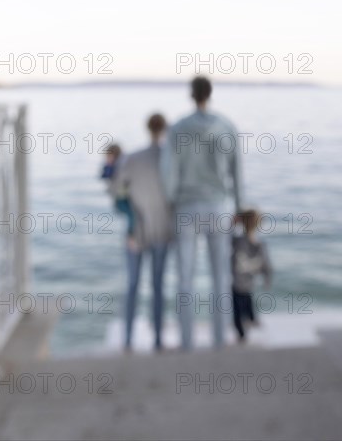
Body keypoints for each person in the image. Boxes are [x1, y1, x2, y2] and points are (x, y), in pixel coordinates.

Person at [161, 76, 243, 350]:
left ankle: (187, 342)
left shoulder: (177, 129)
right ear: (210, 93)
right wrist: (240, 209)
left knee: (184, 279)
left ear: (191, 95)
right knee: (221, 277)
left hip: (185, 208)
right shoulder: (227, 127)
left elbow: (167, 173)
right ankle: (220, 340)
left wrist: (170, 203)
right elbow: (237, 175)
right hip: (219, 207)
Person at [116, 114, 172, 351]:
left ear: (147, 128)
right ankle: (158, 340)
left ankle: (127, 341)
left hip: (136, 233)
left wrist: (131, 224)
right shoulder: (171, 159)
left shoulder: (131, 159)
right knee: (158, 286)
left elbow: (118, 195)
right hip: (162, 231)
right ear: (165, 129)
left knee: (132, 286)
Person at [231, 209, 272, 343]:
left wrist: (232, 224)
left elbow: (224, 240)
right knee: (247, 303)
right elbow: (266, 265)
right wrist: (267, 279)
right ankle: (250, 323)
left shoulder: (237, 241)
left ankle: (242, 334)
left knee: (239, 309)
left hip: (237, 283)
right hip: (248, 283)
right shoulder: (260, 244)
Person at [101, 144, 136, 235]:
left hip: (124, 197)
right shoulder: (111, 166)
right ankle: (131, 234)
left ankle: (131, 234)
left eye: (109, 156)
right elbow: (105, 176)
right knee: (131, 215)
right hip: (121, 198)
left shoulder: (120, 165)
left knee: (131, 215)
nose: (107, 159)